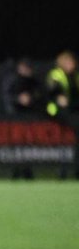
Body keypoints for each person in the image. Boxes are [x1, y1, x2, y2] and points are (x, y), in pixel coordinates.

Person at [45, 50, 79, 179]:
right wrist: (58, 97)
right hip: (58, 112)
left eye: (72, 62)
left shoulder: (76, 76)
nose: (71, 64)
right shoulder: (56, 75)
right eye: (68, 62)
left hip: (73, 110)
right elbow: (53, 91)